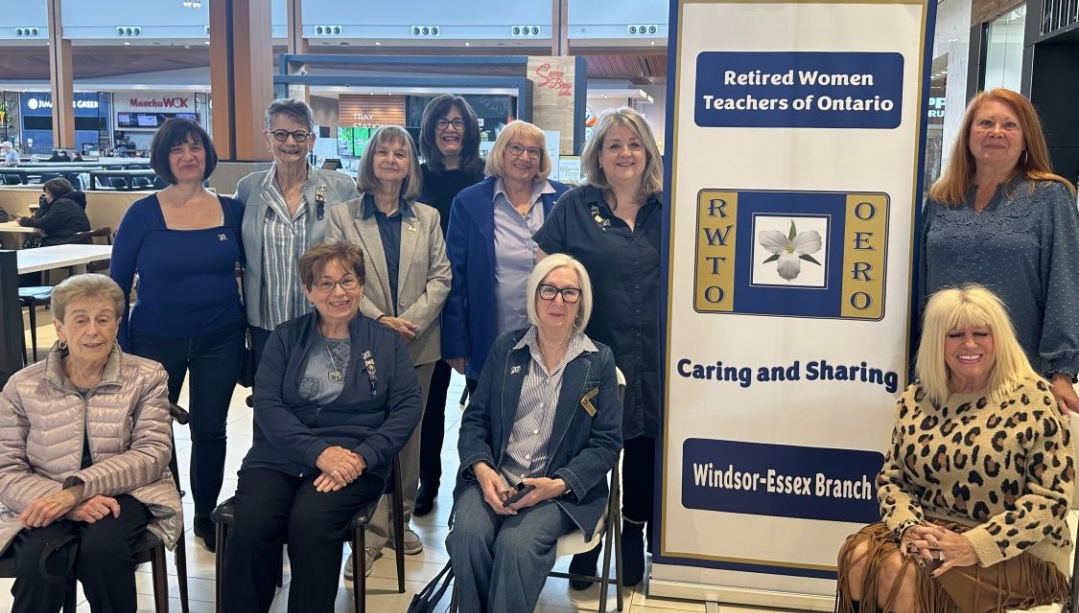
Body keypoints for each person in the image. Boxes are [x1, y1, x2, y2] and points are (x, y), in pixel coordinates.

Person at [836, 284, 1074, 613]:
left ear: (998, 338)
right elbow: (894, 481)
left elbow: (1051, 501)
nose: (970, 344)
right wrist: (909, 528)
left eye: (981, 333)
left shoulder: (1035, 398)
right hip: (932, 528)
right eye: (955, 335)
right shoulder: (917, 399)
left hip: (1020, 550)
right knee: (858, 557)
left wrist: (973, 546)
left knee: (900, 571)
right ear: (937, 341)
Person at [222, 242, 422, 613]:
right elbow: (267, 404)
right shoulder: (285, 337)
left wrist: (363, 458)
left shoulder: (385, 342)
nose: (339, 292)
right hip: (279, 455)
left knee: (311, 522)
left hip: (353, 459)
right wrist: (317, 453)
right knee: (252, 523)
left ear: (361, 285)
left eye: (347, 280)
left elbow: (407, 407)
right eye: (325, 284)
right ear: (308, 291)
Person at [446, 254, 622, 613]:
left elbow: (606, 444)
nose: (558, 301)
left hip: (559, 491)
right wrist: (483, 471)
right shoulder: (506, 350)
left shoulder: (599, 360)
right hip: (496, 477)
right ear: (534, 297)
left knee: (516, 544)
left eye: (569, 293)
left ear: (581, 303)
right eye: (549, 291)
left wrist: (559, 484)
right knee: (468, 535)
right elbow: (476, 421)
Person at [533, 106, 664, 587]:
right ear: (599, 155)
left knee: (645, 444)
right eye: (614, 145)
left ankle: (632, 533)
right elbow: (545, 272)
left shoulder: (667, 206)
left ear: (648, 152)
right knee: (591, 446)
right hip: (591, 353)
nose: (625, 154)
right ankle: (587, 532)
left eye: (634, 144)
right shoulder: (575, 205)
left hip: (653, 352)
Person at [0, 273, 183, 613]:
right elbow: (5, 468)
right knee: (39, 557)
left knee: (103, 549)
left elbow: (152, 453)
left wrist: (76, 491)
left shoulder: (147, 375)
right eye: (80, 320)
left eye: (103, 319)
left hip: (126, 492)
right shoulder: (22, 385)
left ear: (117, 324)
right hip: (43, 493)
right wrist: (65, 502)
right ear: (59, 328)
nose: (93, 331)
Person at [110, 118, 245, 552]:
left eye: (195, 147)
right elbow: (116, 285)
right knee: (153, 435)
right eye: (177, 150)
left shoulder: (231, 210)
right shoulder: (142, 214)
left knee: (210, 429)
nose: (188, 157)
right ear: (163, 159)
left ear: (207, 152)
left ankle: (204, 514)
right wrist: (124, 351)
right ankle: (162, 509)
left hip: (220, 336)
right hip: (154, 340)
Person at [326, 124, 451, 575]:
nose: (392, 158)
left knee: (409, 436)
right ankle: (366, 531)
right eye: (384, 151)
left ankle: (400, 522)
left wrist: (411, 322)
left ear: (410, 164)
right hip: (362, 339)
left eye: (401, 152)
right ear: (370, 159)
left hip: (418, 344)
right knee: (365, 433)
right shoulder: (343, 216)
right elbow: (338, 276)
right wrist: (380, 320)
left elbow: (442, 277)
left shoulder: (429, 217)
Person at [919, 88, 1079, 415]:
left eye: (1009, 125)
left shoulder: (1050, 197)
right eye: (985, 123)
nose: (995, 132)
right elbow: (921, 285)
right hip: (945, 374)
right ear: (967, 135)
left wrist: (1062, 371)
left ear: (1025, 139)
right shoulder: (941, 199)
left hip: (1018, 374)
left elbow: (1066, 285)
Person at [442, 121, 569, 388]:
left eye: (534, 151)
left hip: (551, 335)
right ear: (501, 151)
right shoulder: (469, 202)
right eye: (516, 148)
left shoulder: (563, 199)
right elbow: (454, 277)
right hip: (489, 336)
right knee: (489, 420)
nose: (525, 157)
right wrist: (455, 341)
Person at [236, 98, 358, 369]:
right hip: (265, 322)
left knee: (322, 399)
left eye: (299, 134)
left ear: (311, 140)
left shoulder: (341, 188)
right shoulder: (248, 189)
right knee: (269, 401)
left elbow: (357, 254)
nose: (290, 142)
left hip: (323, 318)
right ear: (268, 139)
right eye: (281, 134)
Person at [415, 94, 486, 517]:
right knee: (430, 399)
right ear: (430, 130)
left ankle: (480, 480)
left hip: (474, 300)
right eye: (442, 121)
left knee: (482, 397)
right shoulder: (417, 180)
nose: (450, 128)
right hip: (426, 301)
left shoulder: (485, 178)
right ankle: (428, 479)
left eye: (458, 121)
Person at [12, 177, 91, 246]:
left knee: (31, 244)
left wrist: (23, 220)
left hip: (68, 243)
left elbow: (43, 223)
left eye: (48, 193)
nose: (46, 196)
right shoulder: (69, 202)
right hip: (73, 241)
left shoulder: (62, 204)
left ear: (55, 193)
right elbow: (38, 219)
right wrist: (46, 202)